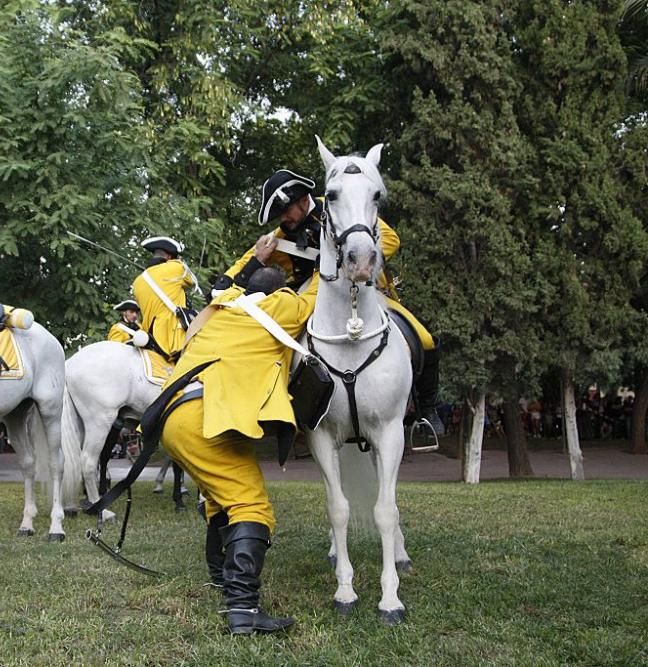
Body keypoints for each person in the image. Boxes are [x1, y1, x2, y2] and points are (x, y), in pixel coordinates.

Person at [213, 169, 445, 435]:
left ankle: (427, 412)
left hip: (366, 292)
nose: (284, 219)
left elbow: (391, 239)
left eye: (287, 211)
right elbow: (245, 263)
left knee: (425, 340)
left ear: (302, 201)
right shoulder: (280, 238)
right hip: (311, 299)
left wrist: (354, 262)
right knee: (280, 343)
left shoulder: (342, 210)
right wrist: (239, 273)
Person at [152, 263, 315, 635]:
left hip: (173, 415)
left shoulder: (222, 308)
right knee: (250, 504)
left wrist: (255, 256)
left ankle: (221, 579)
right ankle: (242, 610)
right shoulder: (282, 305)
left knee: (220, 496)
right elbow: (318, 294)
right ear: (277, 292)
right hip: (204, 415)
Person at [131, 236, 199, 362]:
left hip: (150, 338)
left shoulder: (137, 282)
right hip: (174, 337)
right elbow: (191, 281)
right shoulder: (176, 267)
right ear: (168, 257)